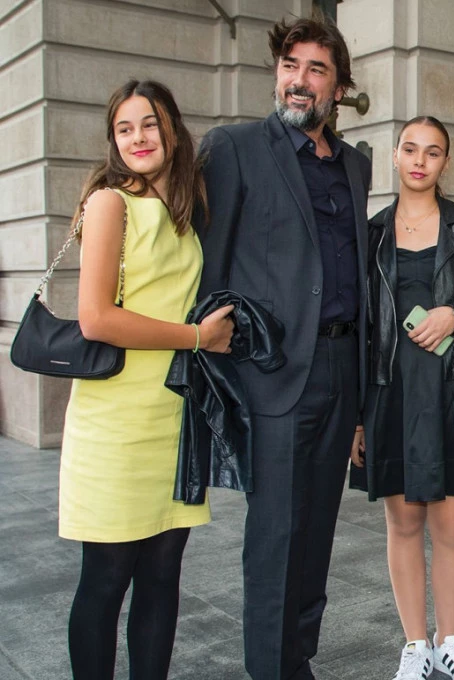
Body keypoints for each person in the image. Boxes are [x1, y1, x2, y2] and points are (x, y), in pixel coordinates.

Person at [195, 14, 371, 680]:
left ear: (338, 87)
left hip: (342, 367)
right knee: (275, 535)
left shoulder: (355, 165)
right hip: (273, 373)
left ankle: (297, 661)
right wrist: (225, 363)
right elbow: (210, 265)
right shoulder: (234, 148)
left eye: (316, 69)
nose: (299, 80)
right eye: (290, 65)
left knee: (317, 531)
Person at [59, 79, 235, 679]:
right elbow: (96, 318)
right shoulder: (110, 202)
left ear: (173, 131)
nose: (138, 138)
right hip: (115, 423)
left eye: (149, 124)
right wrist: (196, 337)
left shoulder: (185, 211)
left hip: (173, 417)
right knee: (106, 579)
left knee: (162, 576)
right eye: (124, 128)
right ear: (112, 140)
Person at [350, 116, 454, 680]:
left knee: (451, 527)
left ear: (446, 162)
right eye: (411, 149)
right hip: (391, 392)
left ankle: (450, 642)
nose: (420, 160)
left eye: (433, 151)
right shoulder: (370, 234)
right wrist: (356, 419)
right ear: (395, 156)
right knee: (402, 525)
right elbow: (358, 328)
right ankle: (416, 646)